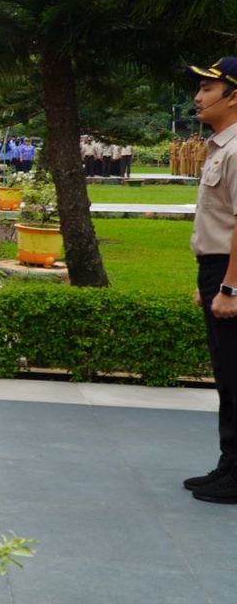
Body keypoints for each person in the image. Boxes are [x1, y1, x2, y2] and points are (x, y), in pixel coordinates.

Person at [184, 57, 237, 504]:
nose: (197, 98)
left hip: (231, 272)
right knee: (226, 374)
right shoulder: (222, 147)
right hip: (216, 269)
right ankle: (228, 466)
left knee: (235, 374)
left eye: (207, 89)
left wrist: (230, 287)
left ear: (233, 95)